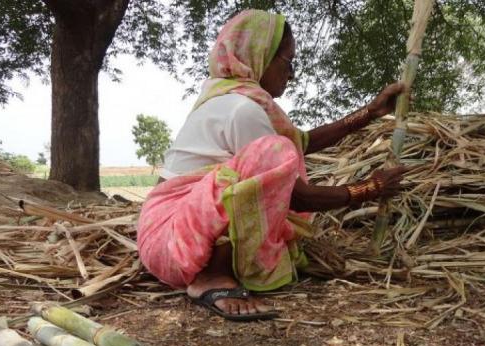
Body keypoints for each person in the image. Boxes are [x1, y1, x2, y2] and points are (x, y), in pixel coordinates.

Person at [138, 9, 407, 321]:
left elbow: (301, 144)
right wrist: (368, 188)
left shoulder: (229, 98)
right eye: (288, 61)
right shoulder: (242, 109)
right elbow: (297, 195)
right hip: (175, 243)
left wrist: (370, 112)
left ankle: (218, 267)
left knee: (278, 151)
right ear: (259, 55)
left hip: (166, 242)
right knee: (275, 151)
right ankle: (211, 277)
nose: (291, 73)